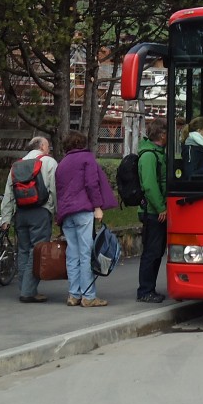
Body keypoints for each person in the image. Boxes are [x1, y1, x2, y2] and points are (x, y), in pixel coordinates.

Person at [54, 130, 117, 307]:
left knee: (72, 254)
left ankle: (73, 295)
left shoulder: (62, 163)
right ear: (82, 143)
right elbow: (91, 183)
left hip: (66, 212)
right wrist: (97, 207)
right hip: (83, 209)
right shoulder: (87, 158)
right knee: (86, 253)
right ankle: (88, 296)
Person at [0, 135, 58, 303]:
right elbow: (55, 189)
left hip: (21, 213)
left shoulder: (16, 165)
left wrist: (6, 217)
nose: (49, 149)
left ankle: (24, 288)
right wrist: (58, 212)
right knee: (38, 250)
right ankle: (28, 291)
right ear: (42, 147)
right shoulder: (49, 162)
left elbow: (9, 193)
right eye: (47, 146)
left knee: (23, 250)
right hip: (41, 211)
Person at [136, 117, 169, 303]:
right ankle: (145, 290)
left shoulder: (157, 153)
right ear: (162, 134)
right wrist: (161, 207)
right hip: (152, 212)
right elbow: (149, 186)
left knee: (156, 252)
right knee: (151, 252)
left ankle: (149, 289)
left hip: (155, 211)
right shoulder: (149, 155)